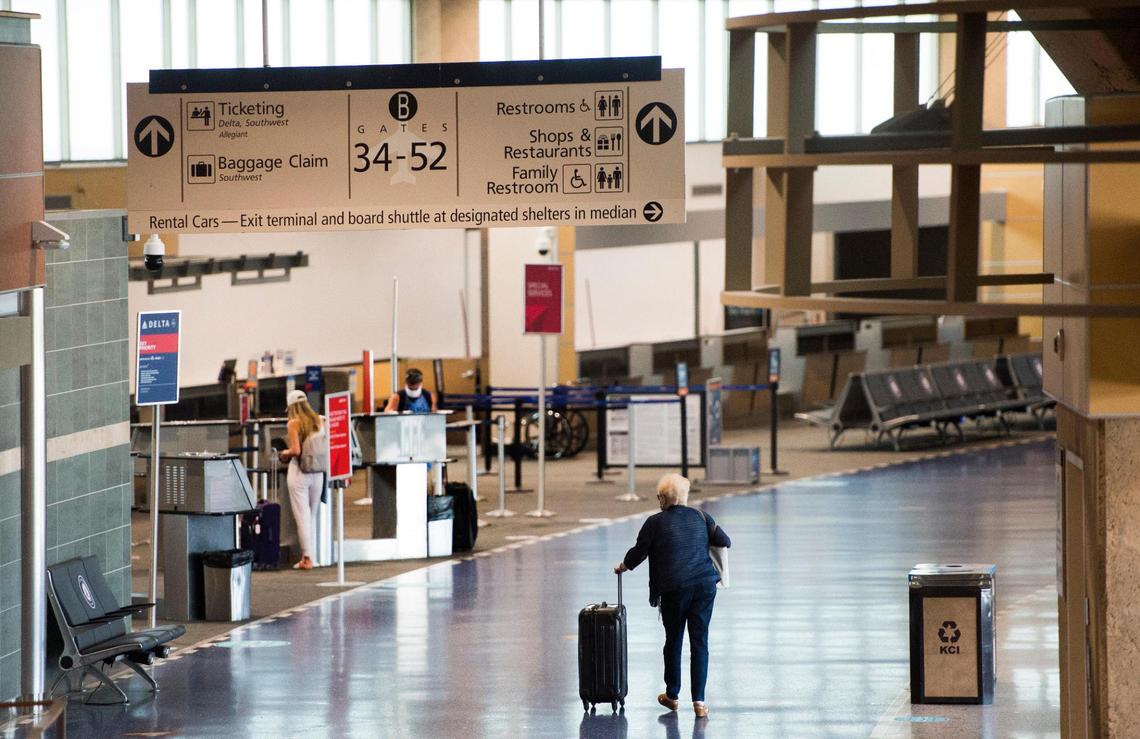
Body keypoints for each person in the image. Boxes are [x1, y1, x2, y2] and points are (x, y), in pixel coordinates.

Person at [614, 473, 731, 718]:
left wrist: (623, 566)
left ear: (664, 498)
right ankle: (699, 702)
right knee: (700, 642)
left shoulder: (654, 523)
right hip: (704, 586)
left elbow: (638, 553)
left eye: (659, 496)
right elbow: (724, 540)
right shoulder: (701, 516)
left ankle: (672, 695)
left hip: (673, 589)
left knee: (674, 639)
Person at [278, 389, 326, 570]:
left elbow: (296, 451)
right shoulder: (321, 420)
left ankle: (307, 558)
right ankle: (313, 555)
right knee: (311, 516)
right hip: (318, 471)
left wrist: (284, 453)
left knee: (302, 517)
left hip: (299, 472)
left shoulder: (294, 423)